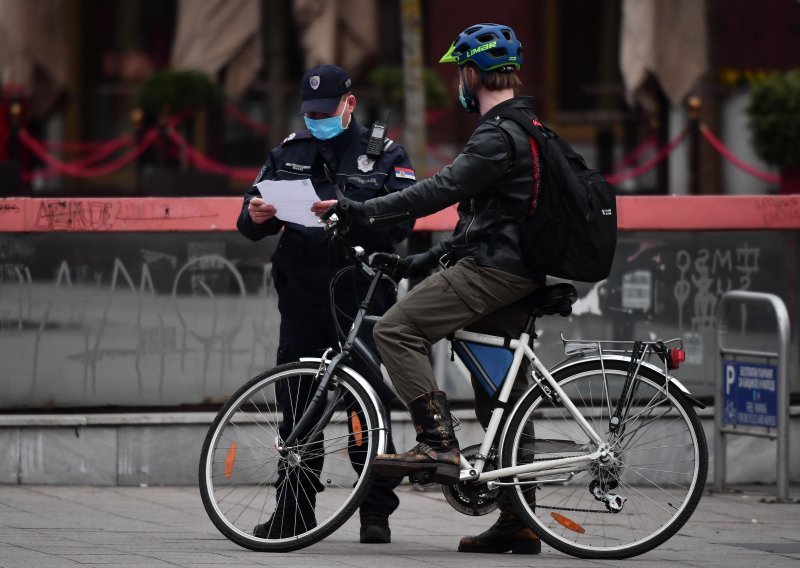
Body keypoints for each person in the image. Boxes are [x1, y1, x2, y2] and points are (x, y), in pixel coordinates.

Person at [325, 24, 544, 554]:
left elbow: (441, 190)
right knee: (502, 395)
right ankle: (520, 522)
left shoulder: (496, 134)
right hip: (517, 269)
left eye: (459, 73)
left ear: (473, 73)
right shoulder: (530, 126)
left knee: (398, 328)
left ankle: (436, 444)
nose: (457, 85)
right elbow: (485, 223)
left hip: (496, 272)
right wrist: (415, 262)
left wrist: (360, 211)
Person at [237, 64, 416, 544]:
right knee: (296, 406)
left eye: (326, 111)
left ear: (350, 104)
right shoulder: (288, 152)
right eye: (310, 112)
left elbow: (402, 223)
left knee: (365, 408)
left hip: (360, 296)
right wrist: (255, 214)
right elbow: (249, 222)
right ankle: (294, 512)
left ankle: (374, 511)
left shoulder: (385, 156)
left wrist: (349, 215)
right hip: (302, 294)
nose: (318, 119)